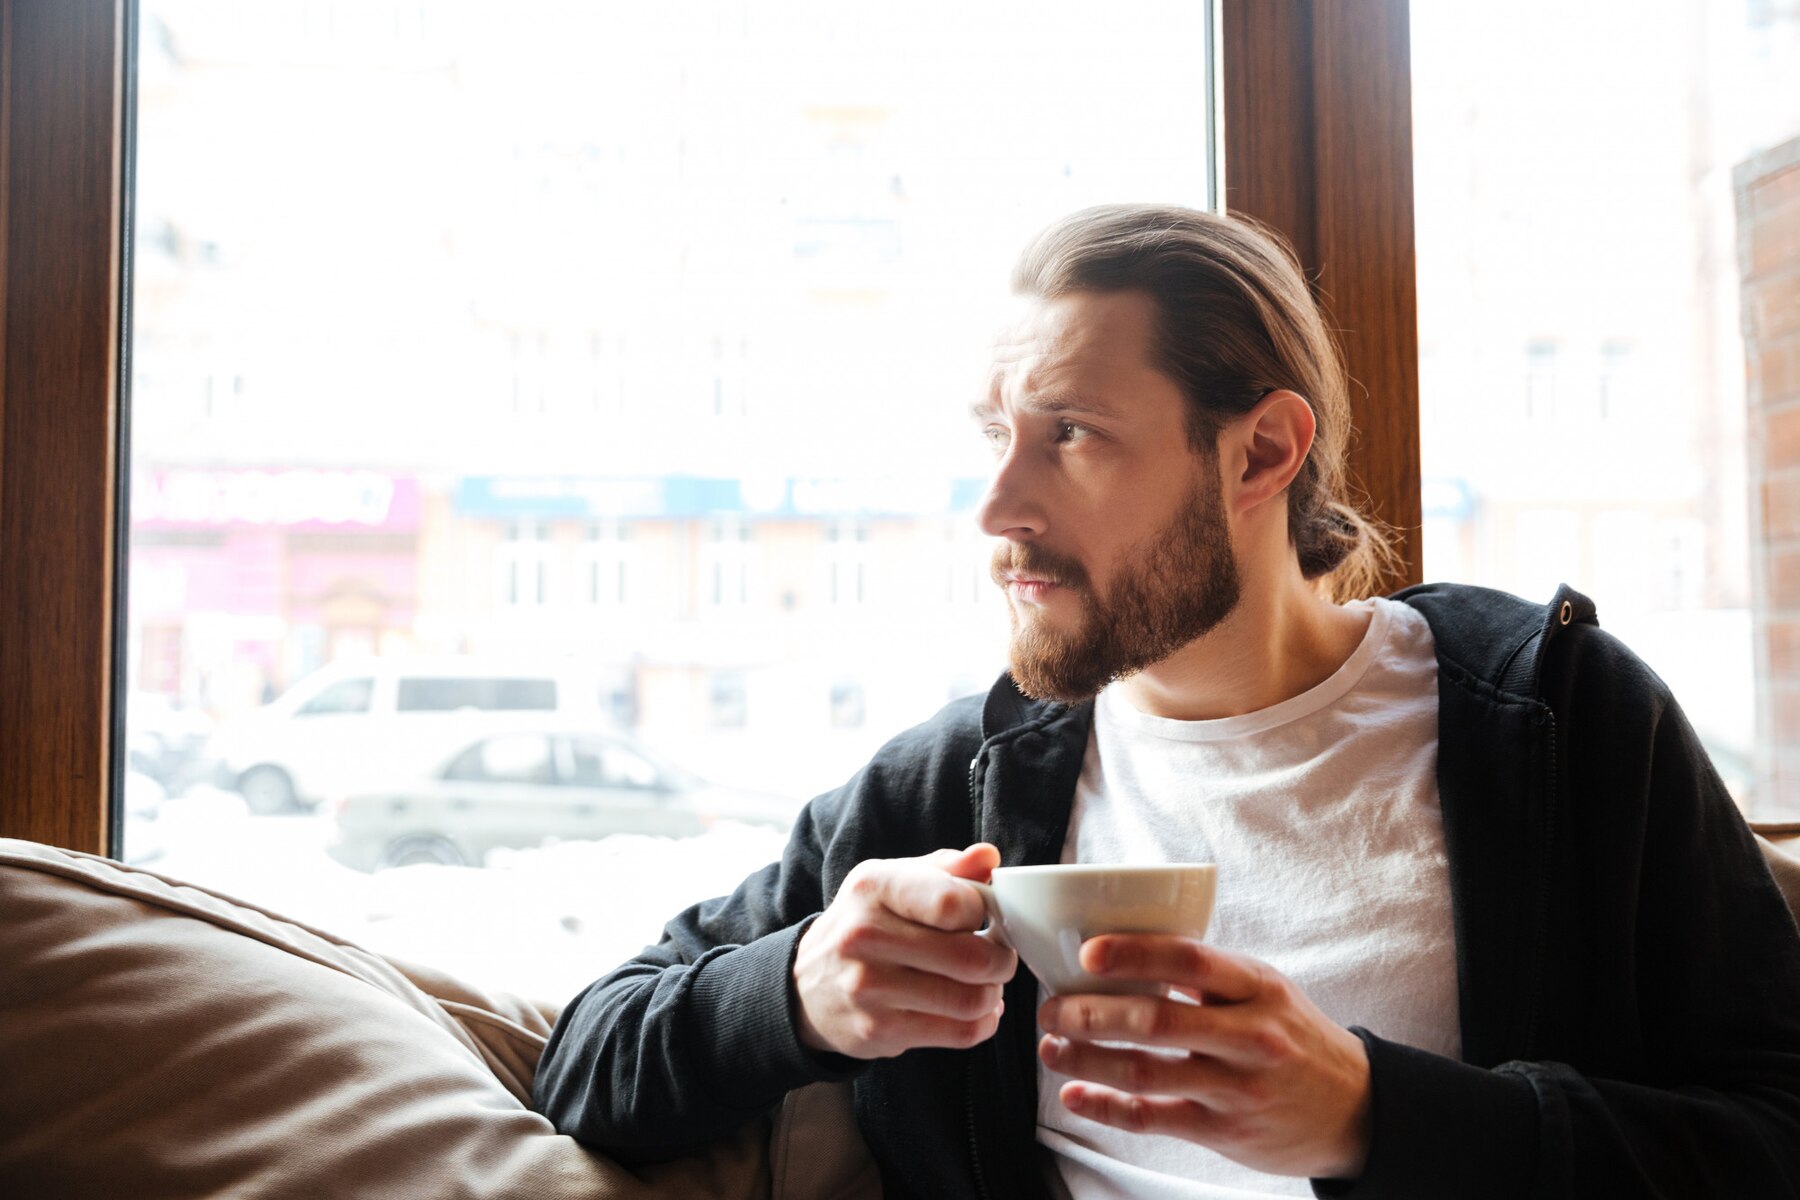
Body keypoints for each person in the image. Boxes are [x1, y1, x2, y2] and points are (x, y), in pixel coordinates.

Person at [533, 204, 1800, 1198]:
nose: (997, 508)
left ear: (1259, 452)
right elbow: (588, 1063)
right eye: (997, 434)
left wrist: (1371, 1116)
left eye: (1072, 433)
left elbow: (1776, 1132)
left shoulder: (1555, 723)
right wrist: (801, 987)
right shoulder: (950, 789)